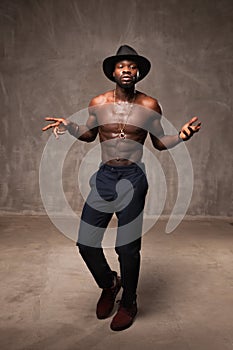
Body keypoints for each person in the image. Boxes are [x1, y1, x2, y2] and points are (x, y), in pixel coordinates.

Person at [42, 45, 201, 331]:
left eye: (131, 66)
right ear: (113, 72)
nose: (126, 70)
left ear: (138, 72)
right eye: (121, 66)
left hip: (133, 178)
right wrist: (70, 126)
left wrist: (181, 136)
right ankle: (109, 283)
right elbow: (90, 135)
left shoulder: (150, 106)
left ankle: (129, 301)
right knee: (86, 243)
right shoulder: (98, 102)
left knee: (127, 248)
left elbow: (159, 142)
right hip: (105, 177)